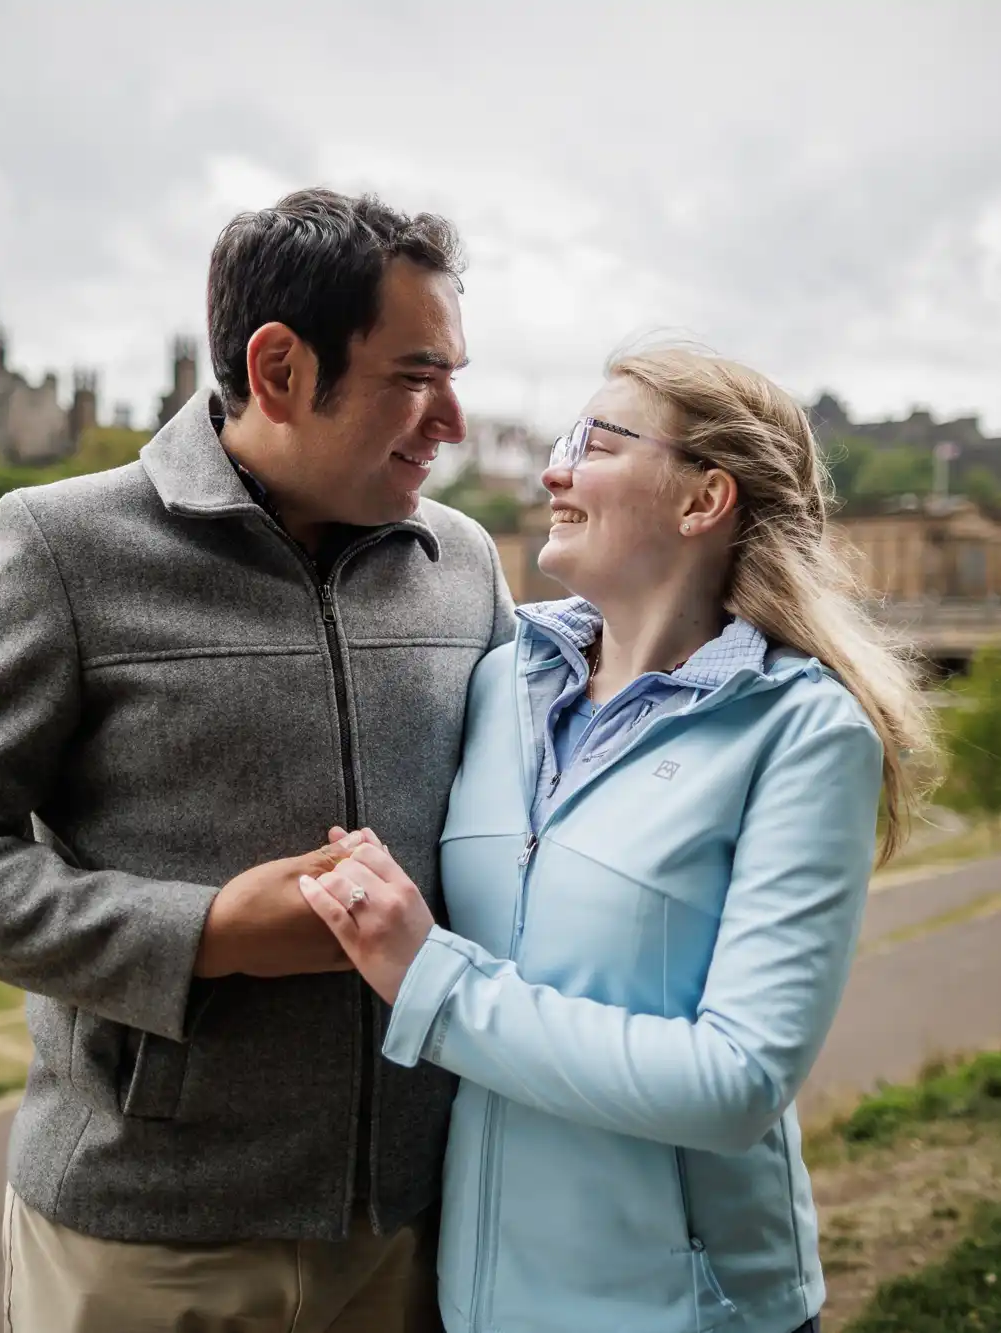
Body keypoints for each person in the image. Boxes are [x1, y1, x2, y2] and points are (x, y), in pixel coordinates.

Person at [0, 188, 515, 1332]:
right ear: (278, 369)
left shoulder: (464, 564)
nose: (451, 421)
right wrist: (203, 935)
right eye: (415, 377)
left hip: (412, 1230)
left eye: (452, 374)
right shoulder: (64, 548)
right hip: (146, 1241)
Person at [300, 346, 937, 1333]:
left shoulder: (804, 732)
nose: (552, 471)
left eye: (594, 445)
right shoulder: (501, 680)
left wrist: (434, 982)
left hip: (686, 1310)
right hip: (476, 1304)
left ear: (702, 499)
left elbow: (736, 1084)